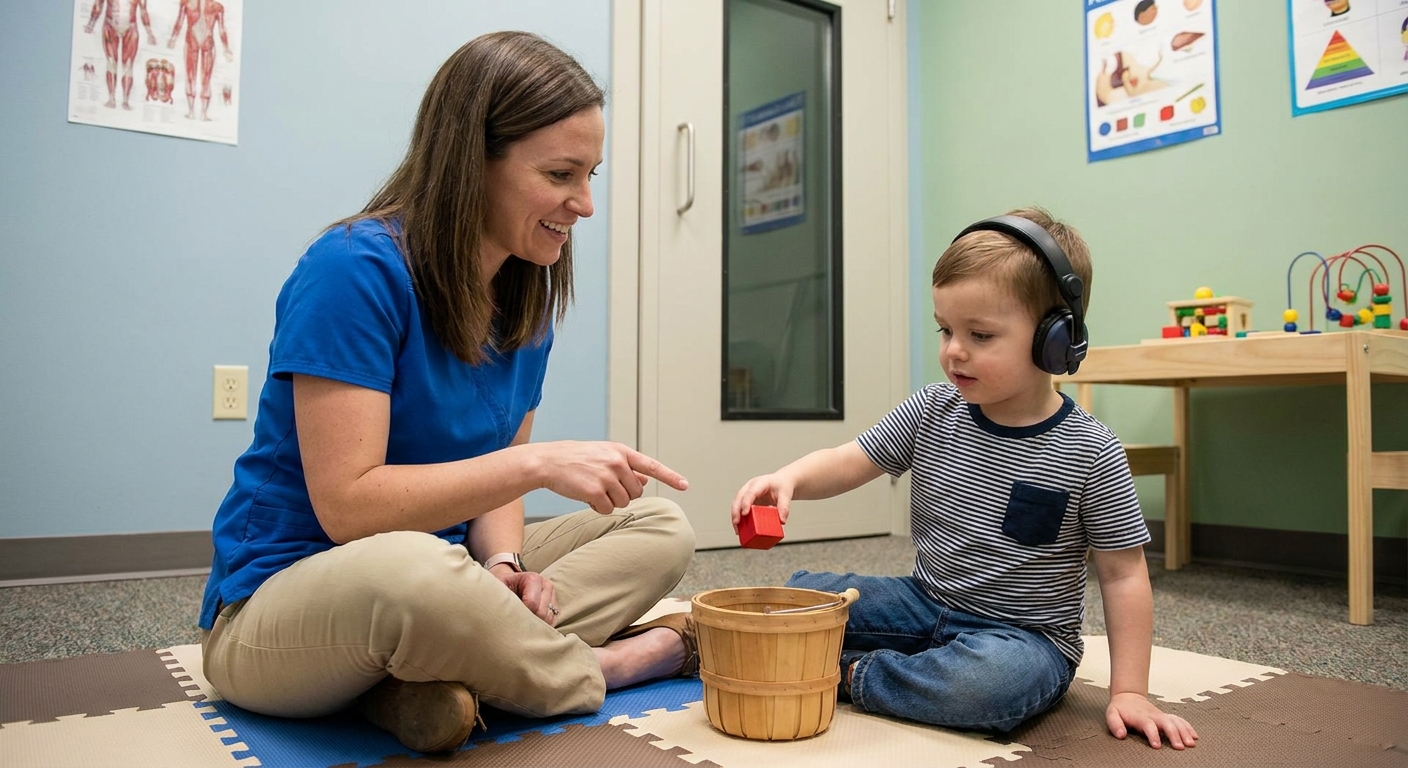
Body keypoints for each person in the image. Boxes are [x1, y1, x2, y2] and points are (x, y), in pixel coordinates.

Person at [199, 31, 698, 755]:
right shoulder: (351, 270)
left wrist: (504, 566)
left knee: (660, 528)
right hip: (281, 604)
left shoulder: (524, 298)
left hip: (448, 576)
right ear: (473, 162)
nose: (584, 204)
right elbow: (347, 509)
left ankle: (421, 681)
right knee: (414, 572)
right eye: (561, 174)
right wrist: (534, 467)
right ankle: (603, 667)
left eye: (590, 174)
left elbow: (492, 493)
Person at [731, 208, 1199, 750]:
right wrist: (788, 478)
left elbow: (1123, 576)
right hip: (921, 601)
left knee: (989, 686)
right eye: (946, 329)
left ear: (1055, 339)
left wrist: (1130, 691)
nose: (954, 350)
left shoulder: (1091, 450)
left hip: (1023, 640)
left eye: (979, 334)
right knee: (803, 596)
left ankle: (842, 675)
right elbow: (850, 458)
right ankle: (870, 663)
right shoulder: (933, 409)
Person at [167, 0, 235, 120]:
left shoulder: (190, 3)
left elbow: (179, 22)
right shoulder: (216, 7)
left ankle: (194, 112)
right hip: (202, 40)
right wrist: (226, 49)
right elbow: (222, 29)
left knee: (196, 77)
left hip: (197, 40)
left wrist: (173, 38)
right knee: (199, 78)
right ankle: (198, 112)